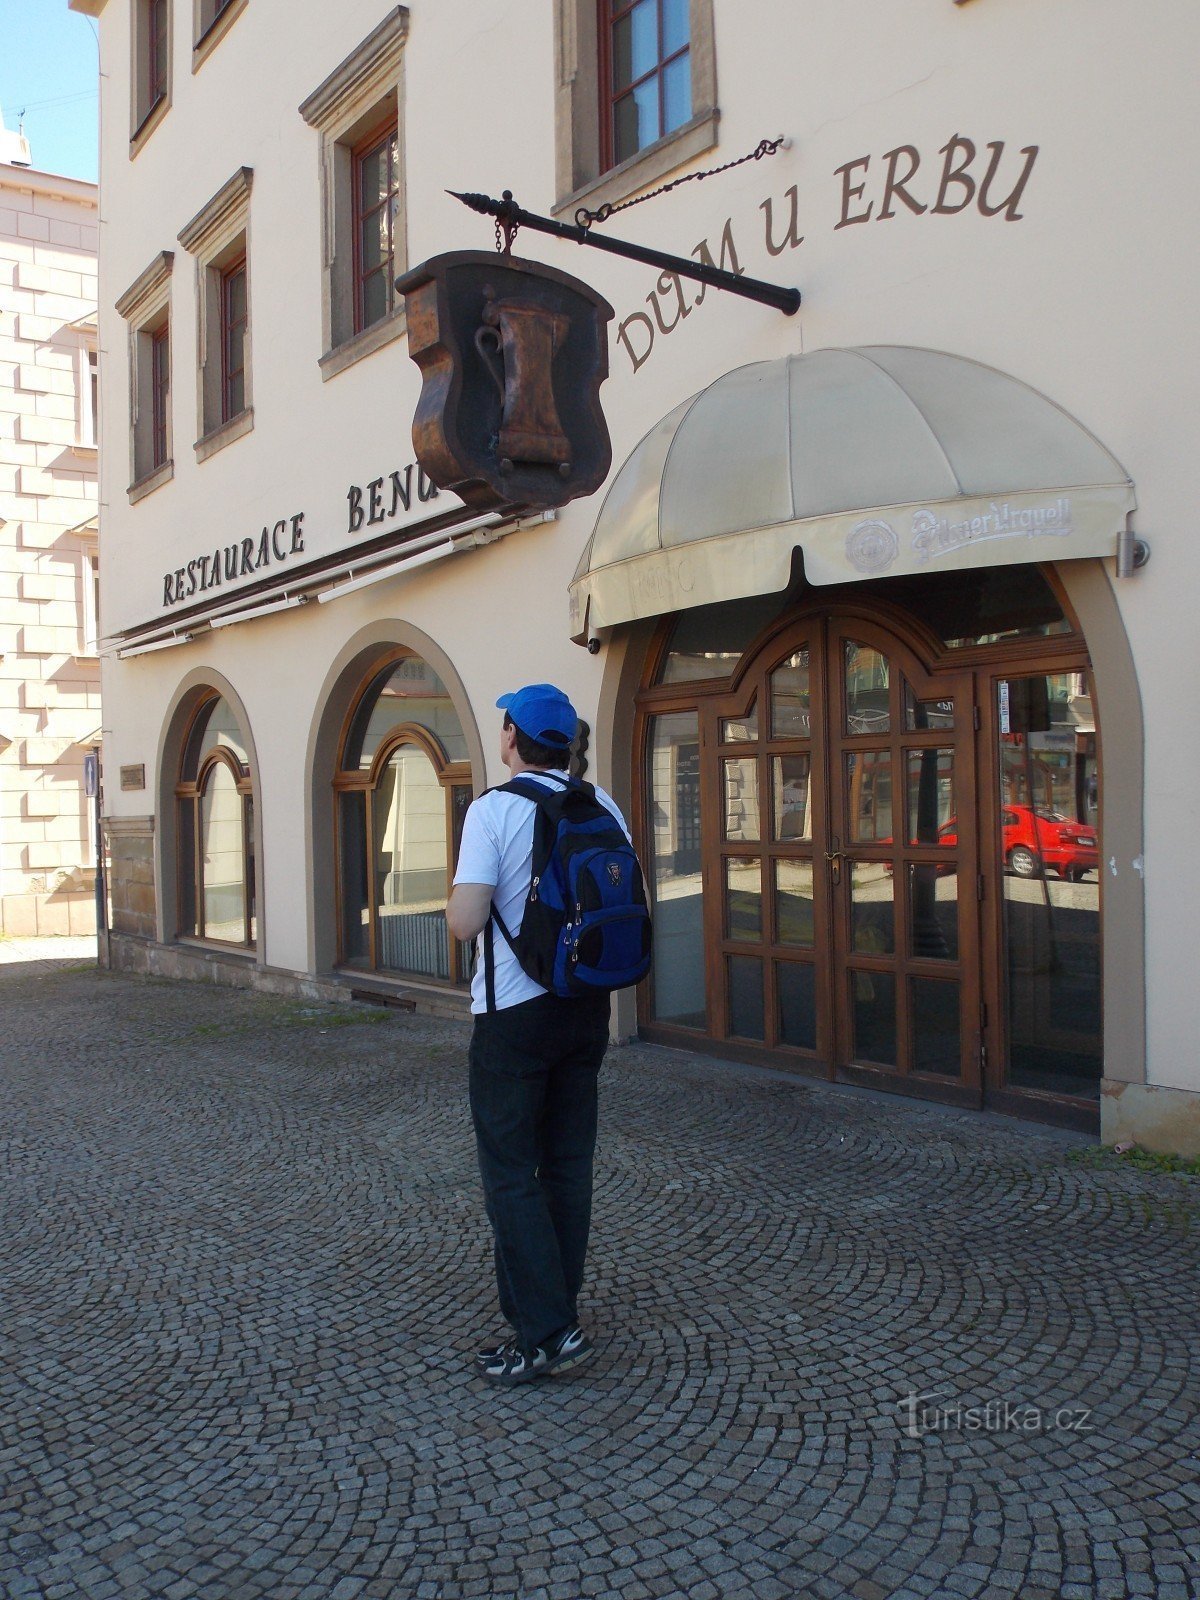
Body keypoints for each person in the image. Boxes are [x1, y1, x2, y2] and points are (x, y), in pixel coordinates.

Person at [446, 683, 631, 1385]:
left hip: (513, 1016)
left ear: (513, 738)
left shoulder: (493, 810)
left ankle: (547, 1332)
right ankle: (558, 1311)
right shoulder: (602, 802)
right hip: (586, 1009)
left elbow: (465, 922)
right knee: (566, 1166)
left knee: (510, 1176)